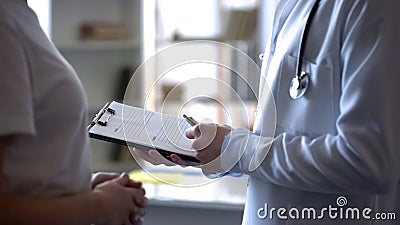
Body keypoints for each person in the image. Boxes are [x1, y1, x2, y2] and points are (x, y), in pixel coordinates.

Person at [144, 0, 400, 224]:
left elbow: (367, 162)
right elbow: (282, 137)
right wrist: (220, 150)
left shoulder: (372, 7)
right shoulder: (288, 5)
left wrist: (236, 149)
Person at [0, 0, 146, 224]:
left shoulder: (19, 16)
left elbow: (22, 176)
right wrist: (99, 205)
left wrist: (81, 186)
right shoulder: (5, 25)